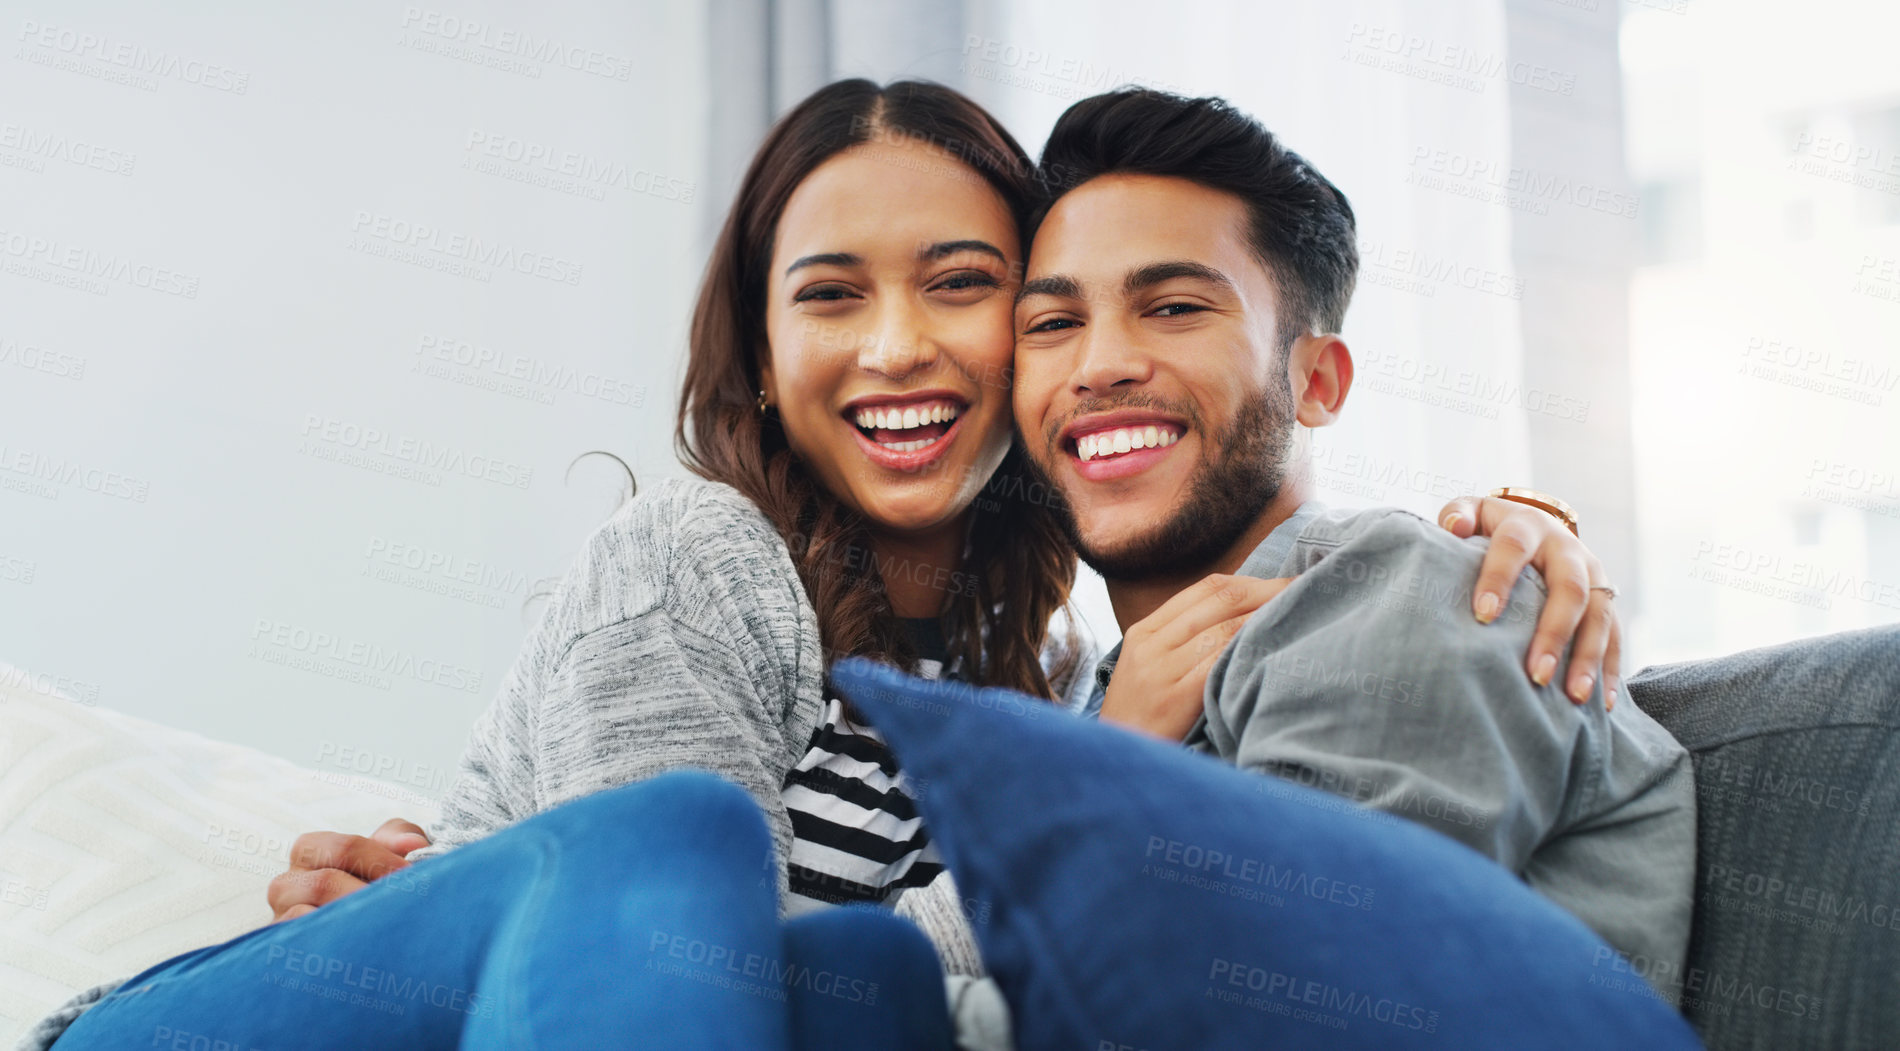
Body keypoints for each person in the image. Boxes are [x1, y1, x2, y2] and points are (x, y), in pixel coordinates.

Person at [25, 79, 1610, 1050]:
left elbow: (1260, 512)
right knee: (679, 852)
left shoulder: (1052, 661)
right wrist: (1100, 758)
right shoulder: (697, 558)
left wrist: (1509, 534)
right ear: (764, 347)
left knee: (862, 986)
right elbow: (671, 951)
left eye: (969, 284)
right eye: (831, 294)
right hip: (241, 1025)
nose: (900, 344)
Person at [1005, 88, 1694, 977]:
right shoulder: (1094, 693)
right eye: (1054, 324)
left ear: (1319, 383)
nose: (1098, 366)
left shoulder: (1399, 590)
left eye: (1175, 307)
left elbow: (1280, 1000)